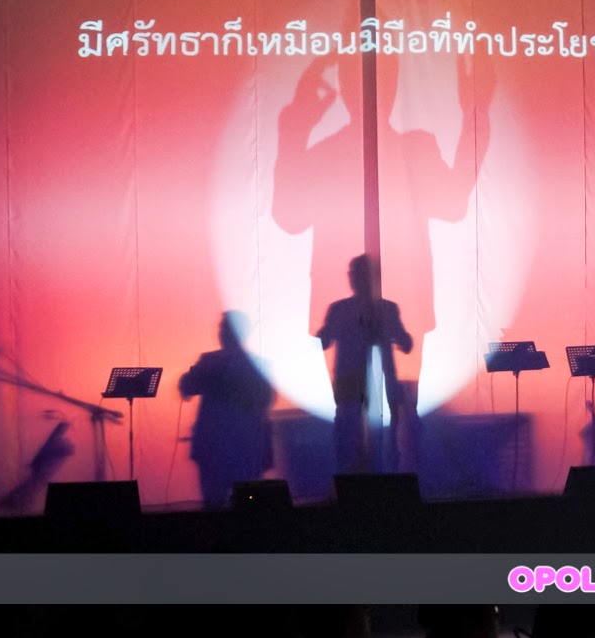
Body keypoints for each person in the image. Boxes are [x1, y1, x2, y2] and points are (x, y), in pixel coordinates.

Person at [273, 45, 493, 471]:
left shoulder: (411, 147)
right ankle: (378, 483)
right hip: (371, 303)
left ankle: (389, 481)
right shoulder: (334, 150)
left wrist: (476, 111)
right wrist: (294, 127)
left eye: (383, 77)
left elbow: (452, 204)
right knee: (365, 411)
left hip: (396, 299)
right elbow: (289, 215)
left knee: (388, 410)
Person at [317, 254, 413, 474]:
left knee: (356, 447)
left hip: (358, 385)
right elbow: (406, 344)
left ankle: (356, 486)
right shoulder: (386, 309)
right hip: (370, 385)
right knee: (378, 448)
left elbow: (323, 341)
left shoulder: (341, 309)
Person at [179, 311, 275, 508]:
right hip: (247, 446)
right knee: (248, 505)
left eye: (223, 328)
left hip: (216, 446)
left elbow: (186, 388)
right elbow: (266, 399)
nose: (220, 332)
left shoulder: (209, 361)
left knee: (214, 504)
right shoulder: (260, 364)